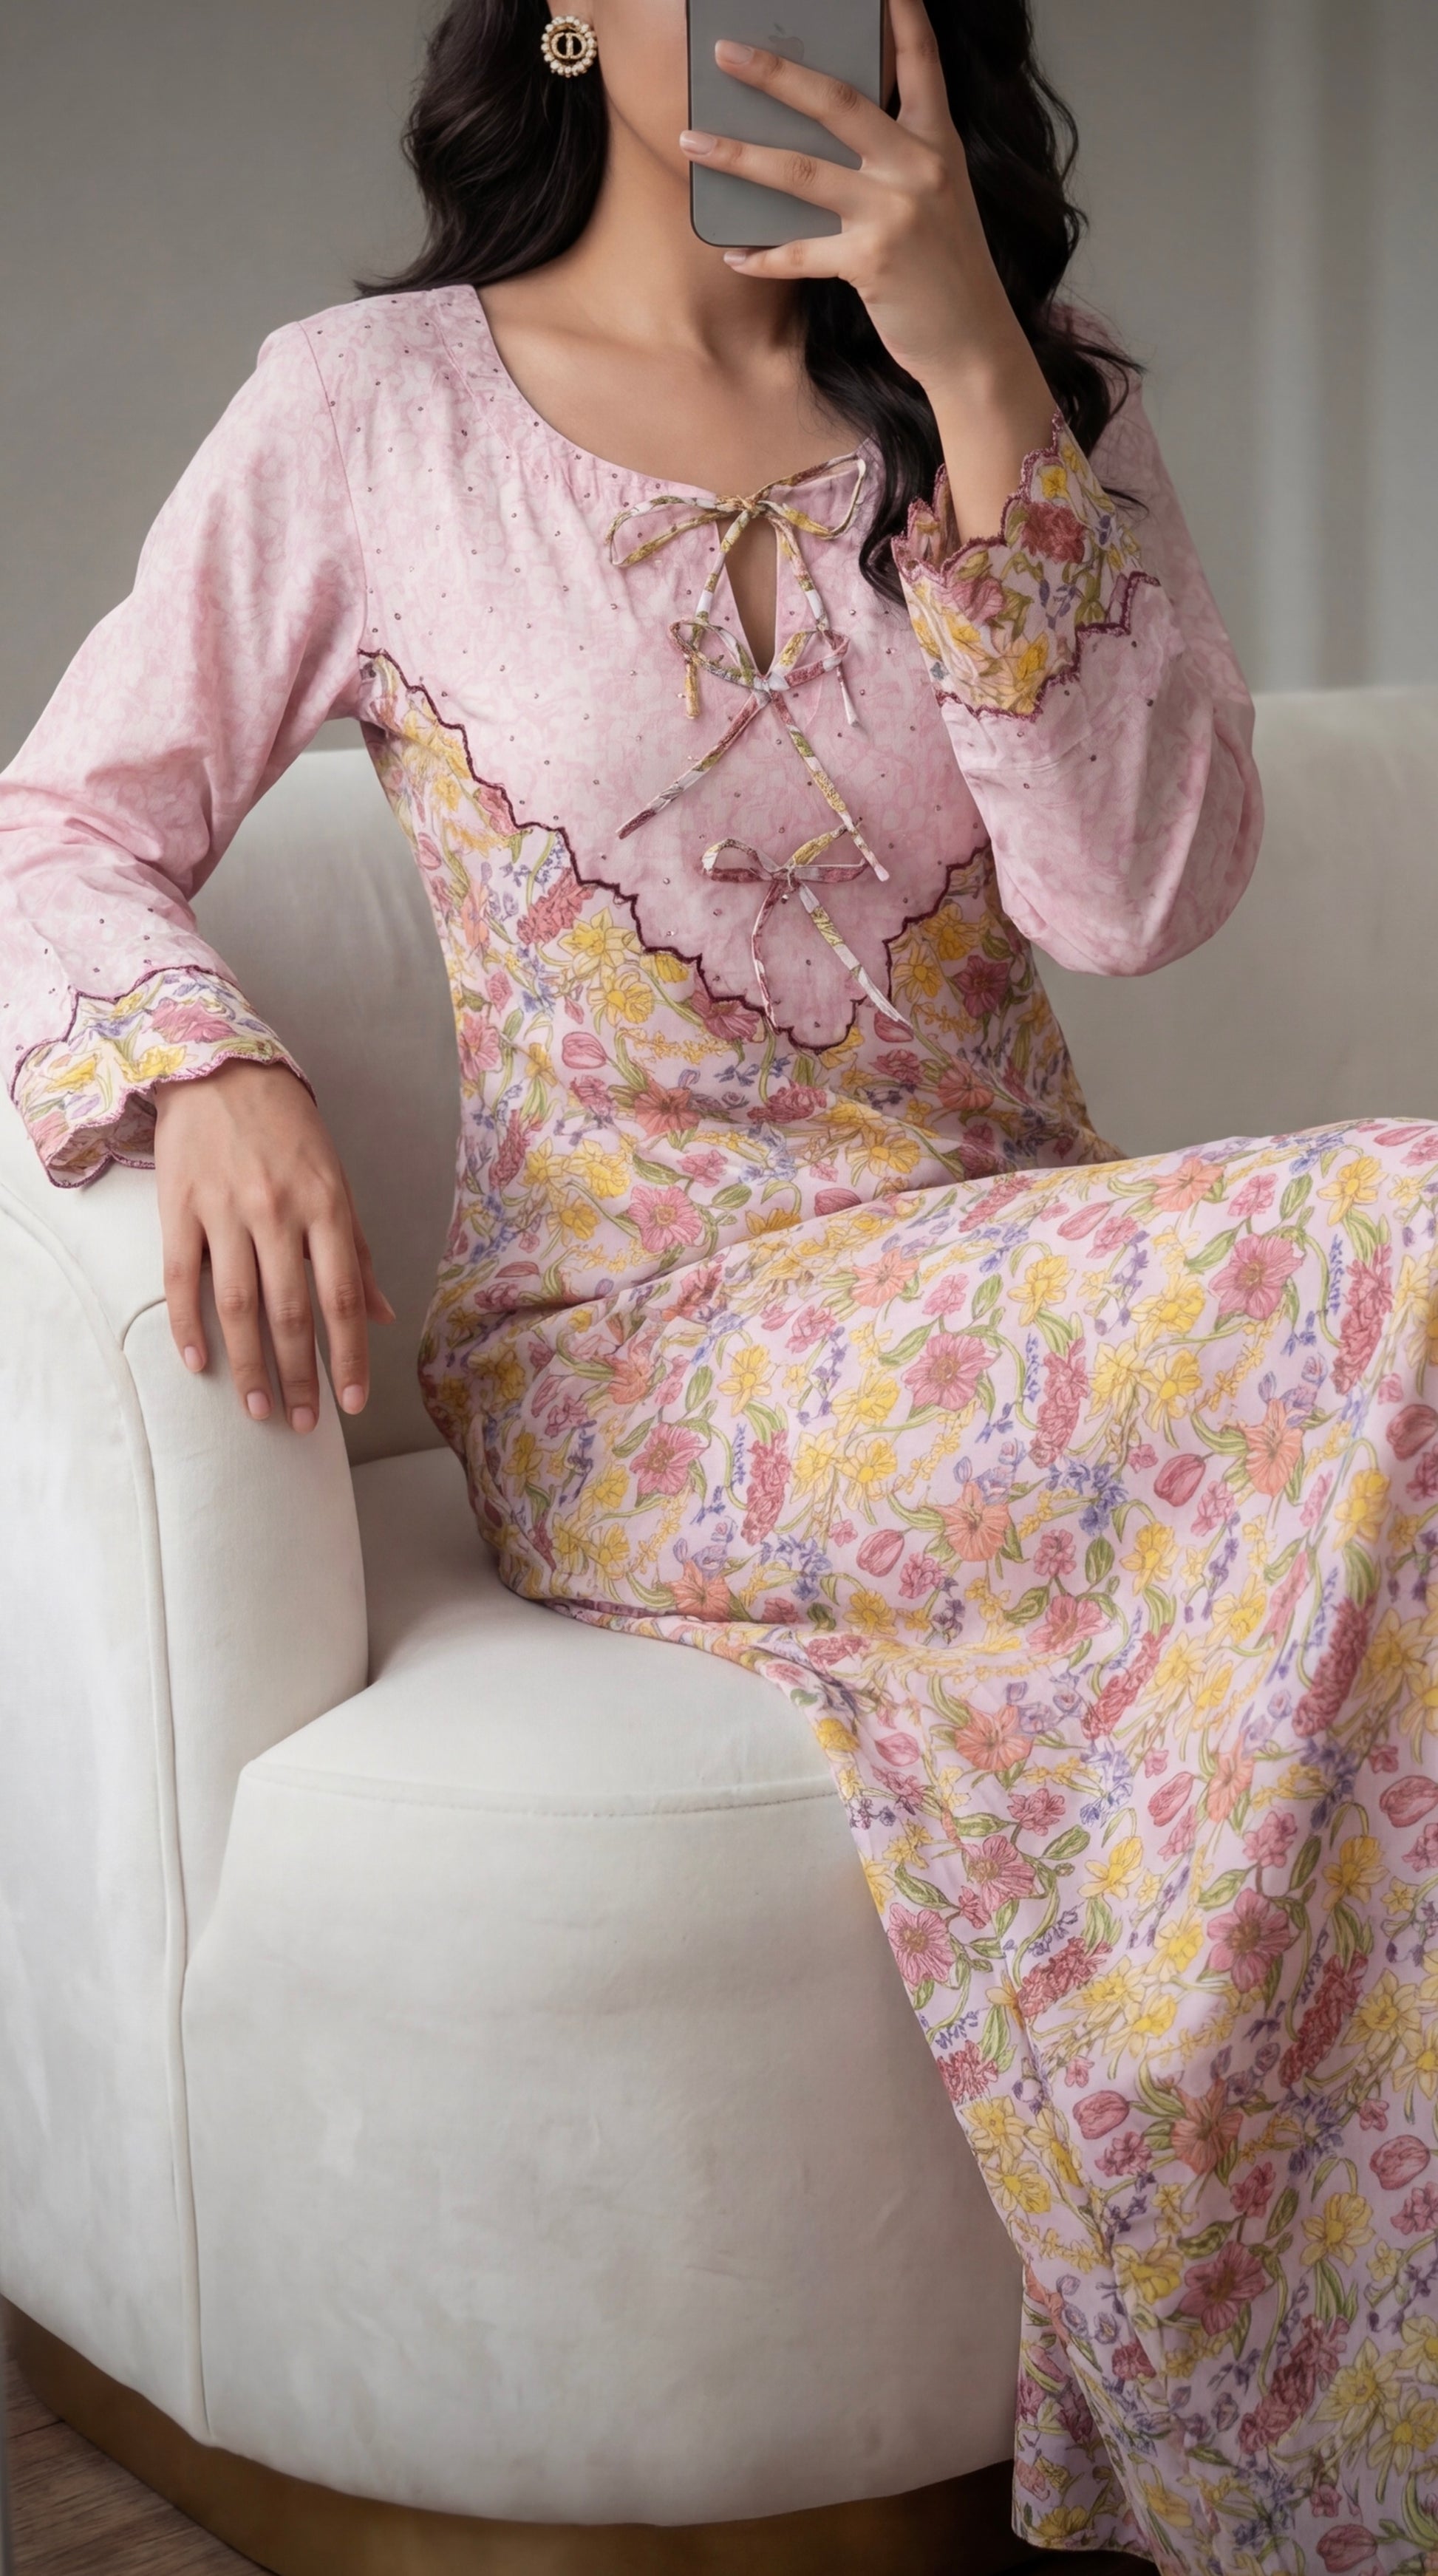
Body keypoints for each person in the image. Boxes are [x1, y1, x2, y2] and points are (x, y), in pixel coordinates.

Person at [3, 3, 1436, 2567]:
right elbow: (56, 828)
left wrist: (971, 352)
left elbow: (1126, 900)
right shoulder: (366, 414)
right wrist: (202, 1066)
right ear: (569, 13)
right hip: (634, 1351)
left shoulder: (1035, 383)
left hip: (994, 1299)